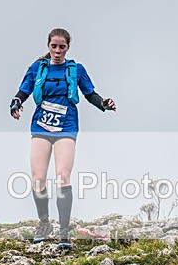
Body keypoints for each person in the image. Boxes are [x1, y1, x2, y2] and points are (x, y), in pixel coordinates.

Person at [10, 28, 116, 248]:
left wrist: (103, 104)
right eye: (54, 46)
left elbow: (90, 94)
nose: (57, 51)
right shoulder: (37, 68)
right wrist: (16, 103)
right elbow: (24, 91)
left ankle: (64, 231)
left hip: (66, 126)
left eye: (62, 47)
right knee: (38, 177)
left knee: (62, 176)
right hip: (41, 126)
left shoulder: (76, 69)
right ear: (48, 46)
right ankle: (44, 223)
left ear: (68, 48)